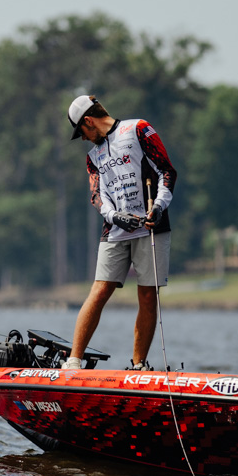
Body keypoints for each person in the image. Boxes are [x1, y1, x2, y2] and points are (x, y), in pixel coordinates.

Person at [62, 95, 178, 371]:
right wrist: (115, 217)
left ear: (89, 121)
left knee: (148, 296)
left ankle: (138, 366)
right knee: (99, 290)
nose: (83, 138)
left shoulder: (138, 129)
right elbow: (97, 196)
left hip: (151, 227)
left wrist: (159, 206)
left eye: (81, 132)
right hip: (115, 230)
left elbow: (166, 171)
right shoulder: (93, 156)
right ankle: (73, 362)